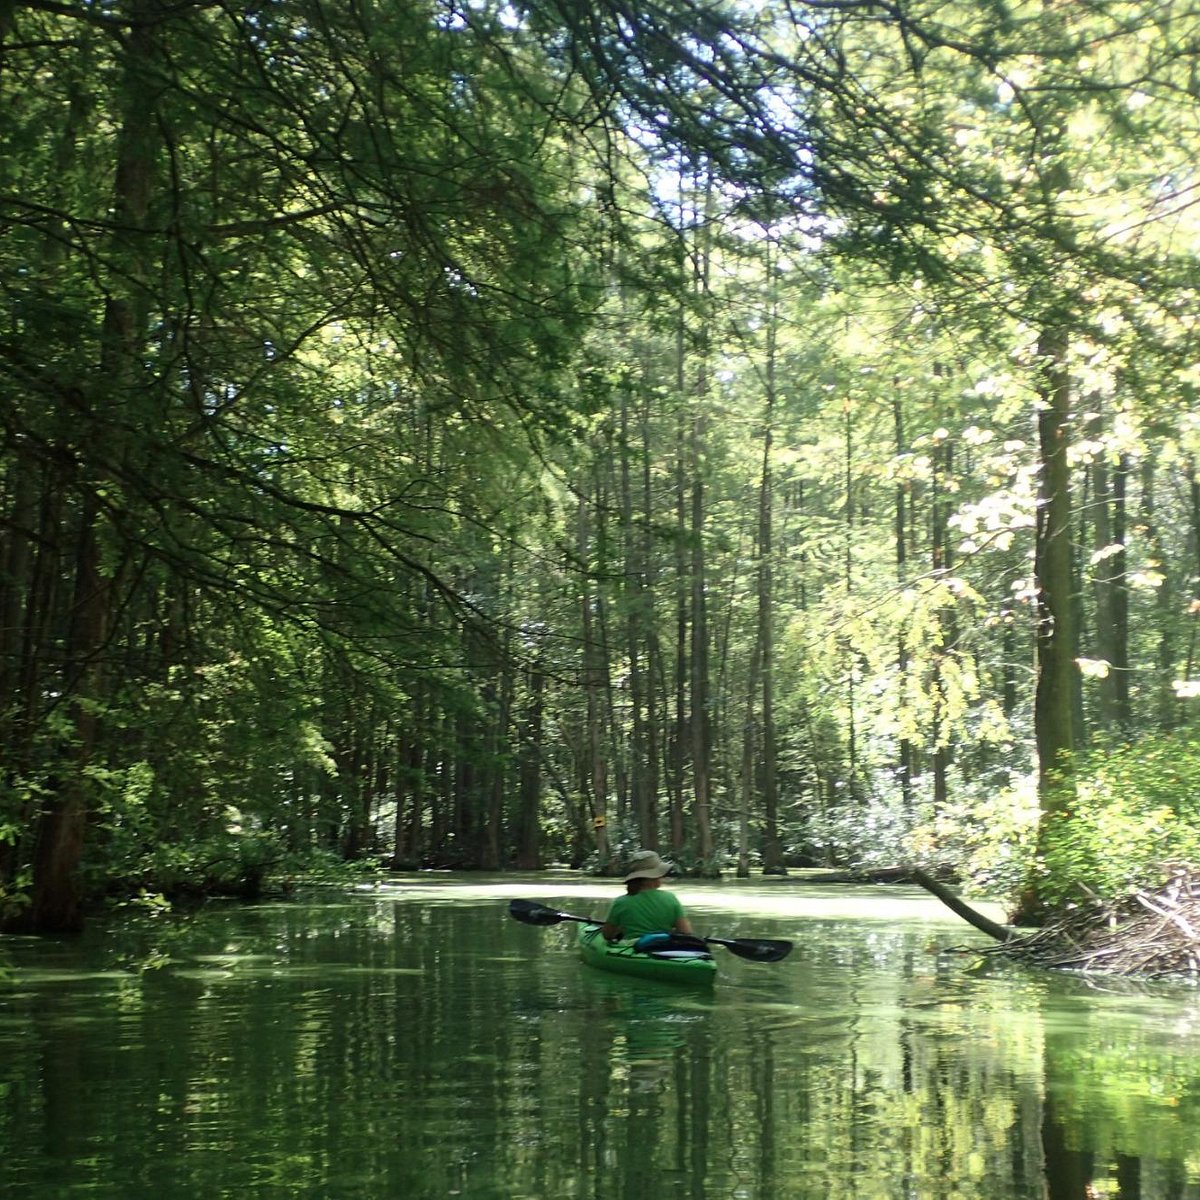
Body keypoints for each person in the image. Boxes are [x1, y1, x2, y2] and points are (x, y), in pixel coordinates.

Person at [600, 850, 694, 942]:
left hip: (631, 949)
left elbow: (607, 935)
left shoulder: (621, 902)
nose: (661, 877)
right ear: (652, 877)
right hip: (664, 949)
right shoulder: (670, 898)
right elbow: (685, 932)